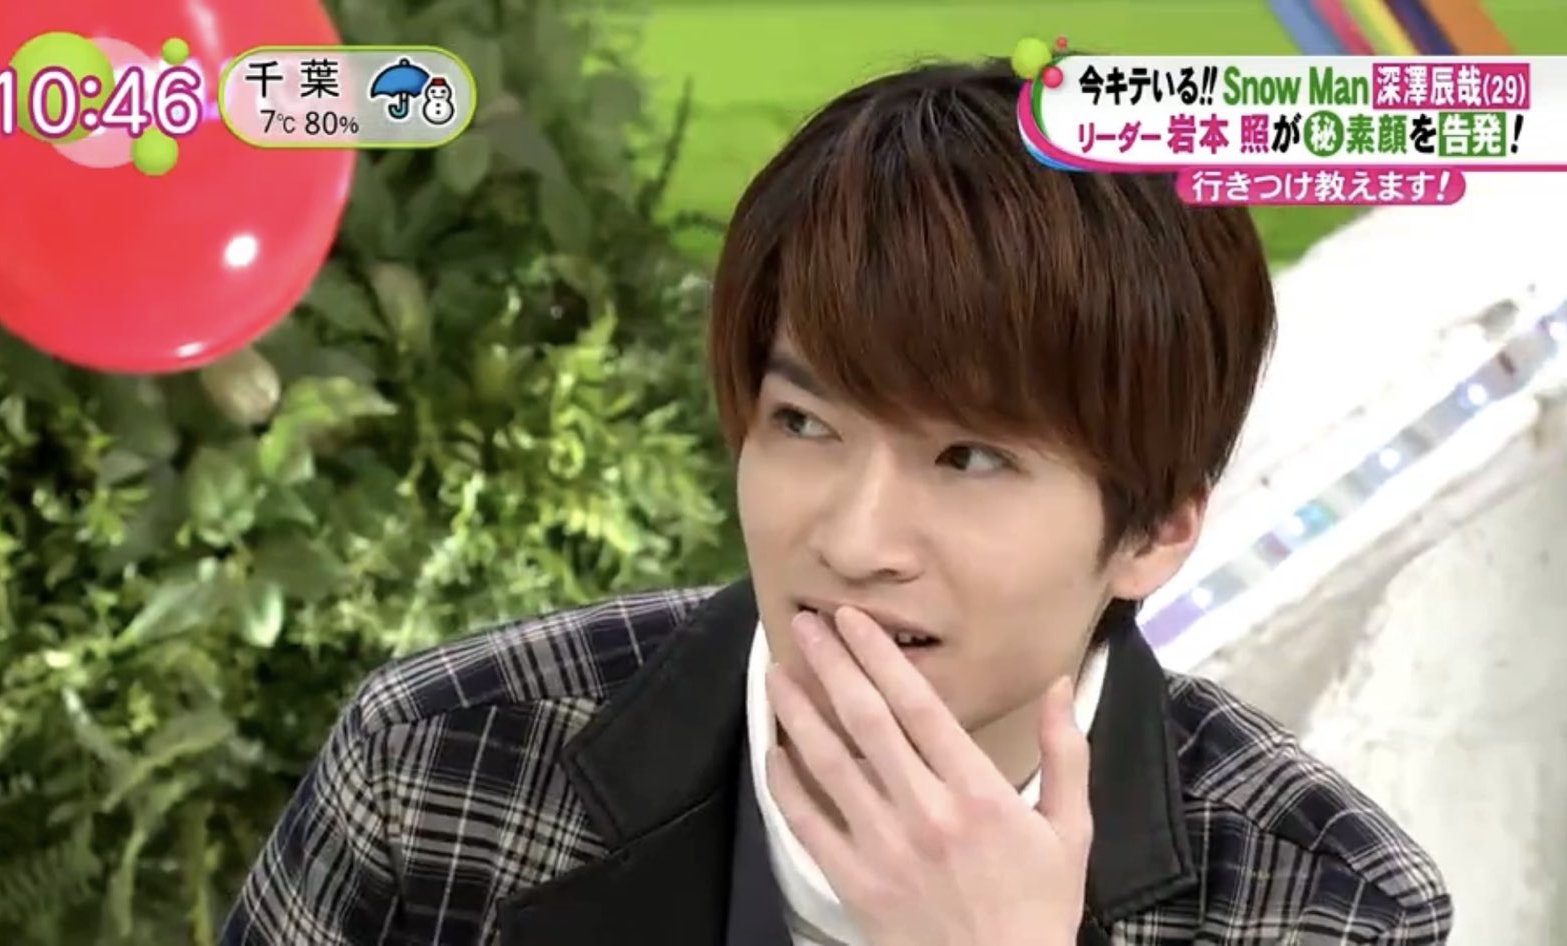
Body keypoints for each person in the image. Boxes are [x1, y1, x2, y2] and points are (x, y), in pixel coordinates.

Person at [221, 58, 1452, 946]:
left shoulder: (1324, 904)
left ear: (1154, 530)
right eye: (805, 425)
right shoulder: (438, 761)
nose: (853, 541)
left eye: (968, 457)